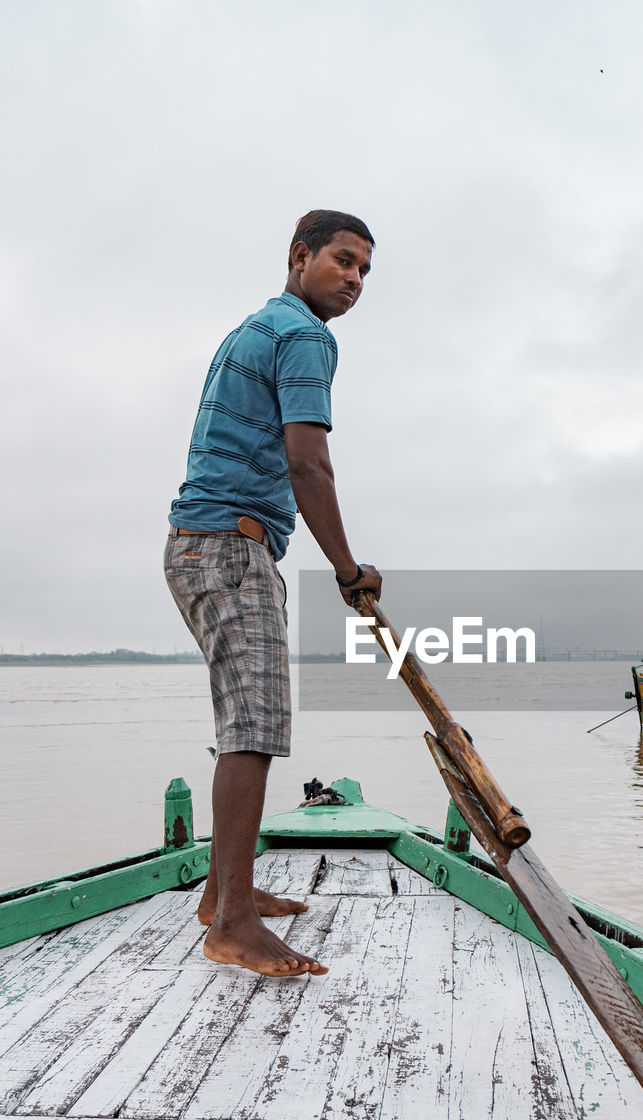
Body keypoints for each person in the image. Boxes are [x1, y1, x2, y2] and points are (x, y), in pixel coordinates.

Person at [164, 209, 382, 978]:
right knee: (253, 726)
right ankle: (231, 923)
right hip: (230, 545)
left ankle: (227, 893)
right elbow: (307, 463)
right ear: (300, 257)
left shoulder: (253, 328)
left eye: (364, 271)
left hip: (204, 544)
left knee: (241, 719)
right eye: (343, 261)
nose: (354, 280)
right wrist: (349, 571)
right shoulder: (304, 336)